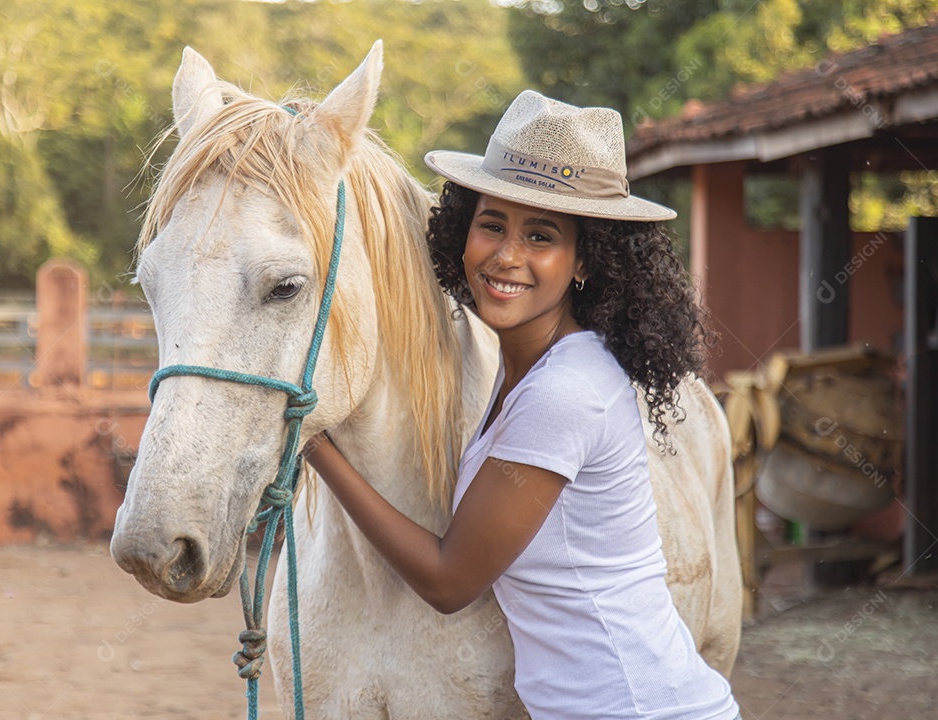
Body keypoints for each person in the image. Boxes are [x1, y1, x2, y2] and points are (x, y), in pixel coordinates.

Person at [303, 90, 740, 720]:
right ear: (462, 230)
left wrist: (316, 443)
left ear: (586, 259)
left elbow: (449, 581)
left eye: (541, 235)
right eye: (492, 224)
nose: (507, 255)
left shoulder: (566, 392)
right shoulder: (533, 369)